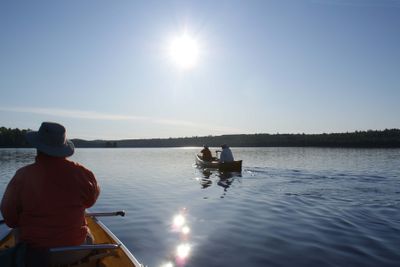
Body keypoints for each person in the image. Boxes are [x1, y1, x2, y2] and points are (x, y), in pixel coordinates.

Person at [0, 122, 100, 250]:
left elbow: (10, 217)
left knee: (16, 230)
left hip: (35, 250)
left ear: (37, 147)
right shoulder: (83, 173)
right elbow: (90, 202)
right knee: (89, 232)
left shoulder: (22, 175)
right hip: (75, 248)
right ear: (63, 147)